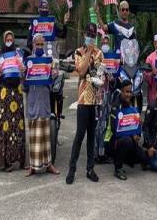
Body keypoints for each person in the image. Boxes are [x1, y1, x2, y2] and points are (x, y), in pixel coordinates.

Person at [66, 23, 103, 185]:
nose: (90, 37)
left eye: (93, 35)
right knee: (79, 135)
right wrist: (88, 51)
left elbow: (100, 73)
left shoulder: (100, 53)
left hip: (95, 100)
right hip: (82, 99)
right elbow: (81, 72)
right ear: (84, 36)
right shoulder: (79, 52)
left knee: (92, 136)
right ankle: (71, 169)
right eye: (88, 34)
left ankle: (90, 168)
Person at [25, 33, 60, 176]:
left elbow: (51, 83)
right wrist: (23, 74)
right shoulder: (28, 62)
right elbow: (24, 86)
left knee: (46, 136)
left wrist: (53, 74)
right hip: (33, 101)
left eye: (41, 44)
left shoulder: (48, 61)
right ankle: (32, 166)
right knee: (33, 136)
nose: (39, 46)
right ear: (33, 45)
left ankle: (48, 164)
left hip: (44, 101)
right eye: (37, 44)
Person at [0, 31, 26, 172]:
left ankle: (20, 159)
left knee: (18, 125)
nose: (9, 41)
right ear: (3, 40)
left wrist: (23, 69)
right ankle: (5, 161)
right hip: (4, 93)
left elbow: (24, 74)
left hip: (17, 92)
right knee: (5, 126)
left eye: (11, 39)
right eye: (6, 39)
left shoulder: (18, 54)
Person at [106, 80, 150, 180]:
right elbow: (114, 128)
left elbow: (135, 124)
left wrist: (138, 134)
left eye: (130, 92)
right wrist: (131, 135)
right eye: (126, 92)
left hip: (130, 140)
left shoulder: (132, 104)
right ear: (121, 91)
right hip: (115, 141)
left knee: (144, 158)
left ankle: (127, 158)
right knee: (127, 141)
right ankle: (118, 168)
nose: (129, 94)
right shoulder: (116, 106)